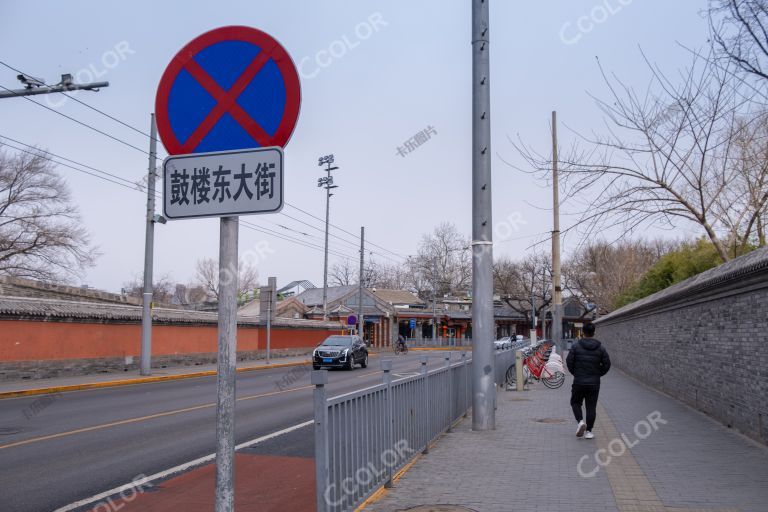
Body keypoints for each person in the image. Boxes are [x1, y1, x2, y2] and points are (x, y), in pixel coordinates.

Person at [566, 323, 610, 439]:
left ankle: (580, 422)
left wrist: (576, 373)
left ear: (583, 332)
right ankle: (589, 431)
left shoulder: (575, 346)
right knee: (591, 407)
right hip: (594, 383)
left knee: (575, 402)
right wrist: (598, 374)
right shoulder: (600, 348)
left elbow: (569, 362)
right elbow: (607, 364)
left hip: (579, 381)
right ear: (594, 332)